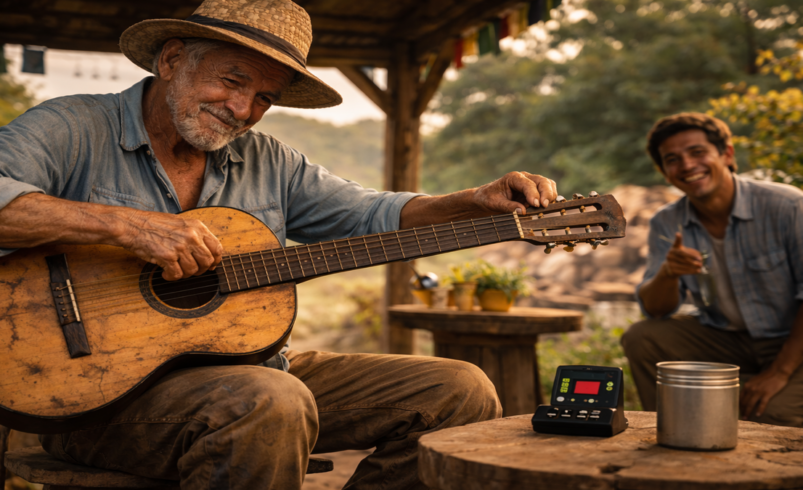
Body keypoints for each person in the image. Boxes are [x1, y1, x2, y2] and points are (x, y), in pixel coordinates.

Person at [0, 0, 559, 488]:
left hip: (255, 374)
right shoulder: (72, 126)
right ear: (171, 60)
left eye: (263, 97)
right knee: (269, 400)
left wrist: (471, 201)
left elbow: (371, 213)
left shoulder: (270, 160)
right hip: (88, 398)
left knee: (460, 389)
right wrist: (129, 226)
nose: (243, 111)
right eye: (233, 80)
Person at [622, 112, 803, 427]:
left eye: (697, 152)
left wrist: (779, 372)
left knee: (771, 416)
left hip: (792, 342)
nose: (688, 166)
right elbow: (655, 310)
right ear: (665, 172)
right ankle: (673, 428)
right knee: (643, 337)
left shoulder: (788, 207)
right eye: (673, 159)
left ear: (727, 154)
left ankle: (734, 402)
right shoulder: (667, 222)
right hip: (726, 340)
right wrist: (668, 273)